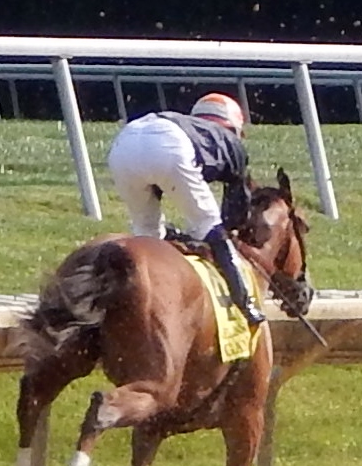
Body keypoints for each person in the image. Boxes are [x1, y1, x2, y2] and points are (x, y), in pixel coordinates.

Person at [107, 92, 264, 327]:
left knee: (147, 235)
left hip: (123, 144)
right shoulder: (232, 144)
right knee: (210, 226)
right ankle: (246, 303)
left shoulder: (189, 127)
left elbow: (158, 184)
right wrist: (220, 234)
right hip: (168, 145)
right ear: (233, 129)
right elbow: (235, 214)